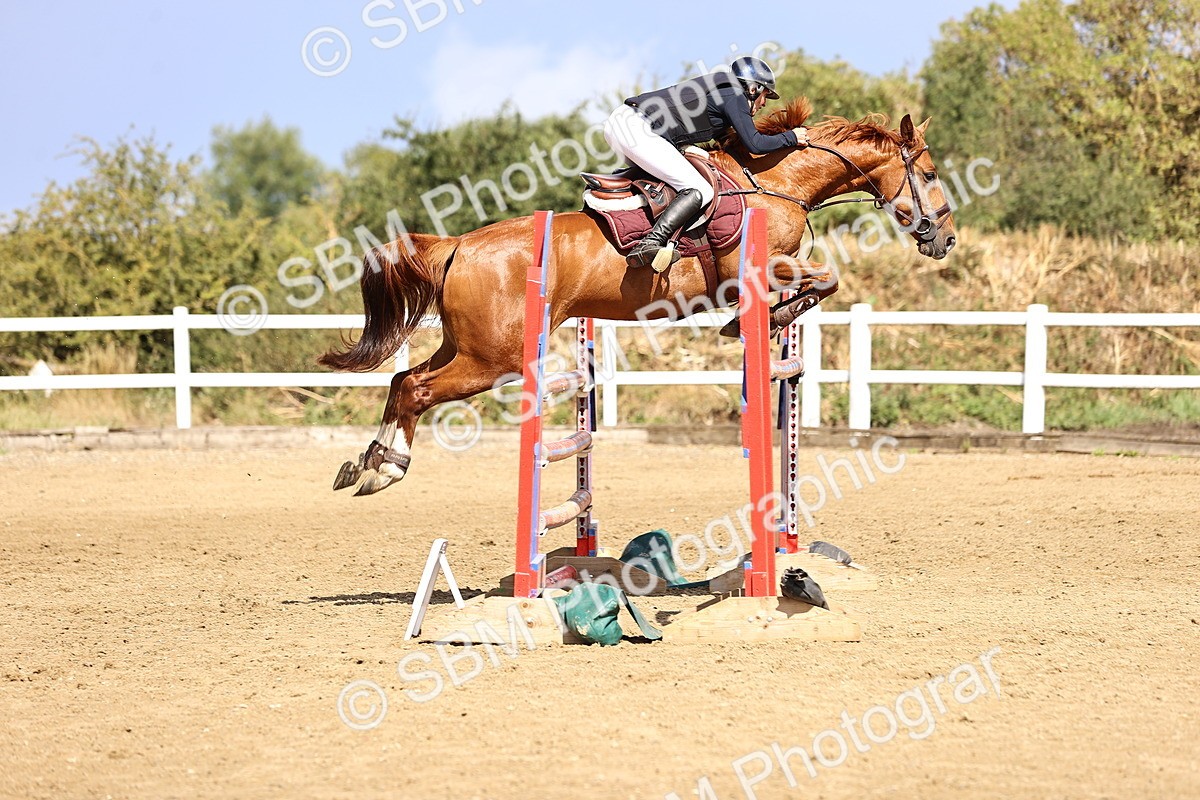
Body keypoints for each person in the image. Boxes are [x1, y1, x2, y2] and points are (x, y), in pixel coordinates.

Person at [602, 56, 808, 271]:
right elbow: (755, 144)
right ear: (754, 89)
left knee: (674, 178)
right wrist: (792, 138)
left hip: (627, 124)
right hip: (636, 128)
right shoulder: (734, 95)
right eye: (765, 95)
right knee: (700, 189)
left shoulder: (723, 95)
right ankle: (651, 242)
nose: (764, 104)